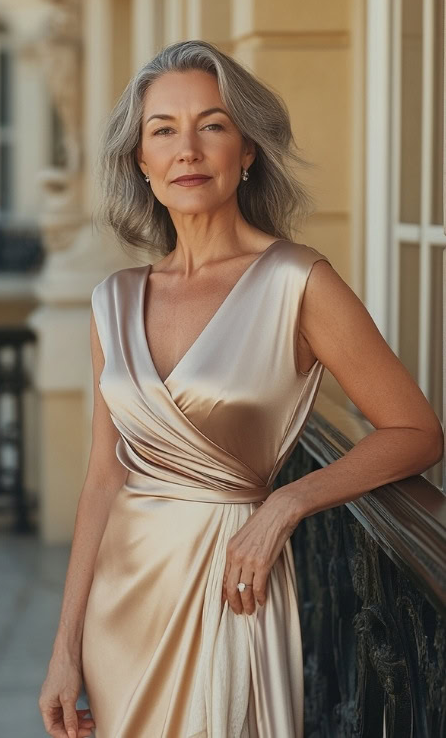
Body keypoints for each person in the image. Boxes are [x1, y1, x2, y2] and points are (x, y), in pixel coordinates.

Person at [39, 40, 443, 738]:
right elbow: (104, 478)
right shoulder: (114, 299)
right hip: (119, 606)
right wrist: (64, 647)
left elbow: (417, 431)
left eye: (213, 124)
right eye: (163, 130)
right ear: (141, 159)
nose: (186, 149)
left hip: (232, 588)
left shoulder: (298, 282)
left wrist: (288, 500)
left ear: (247, 149)